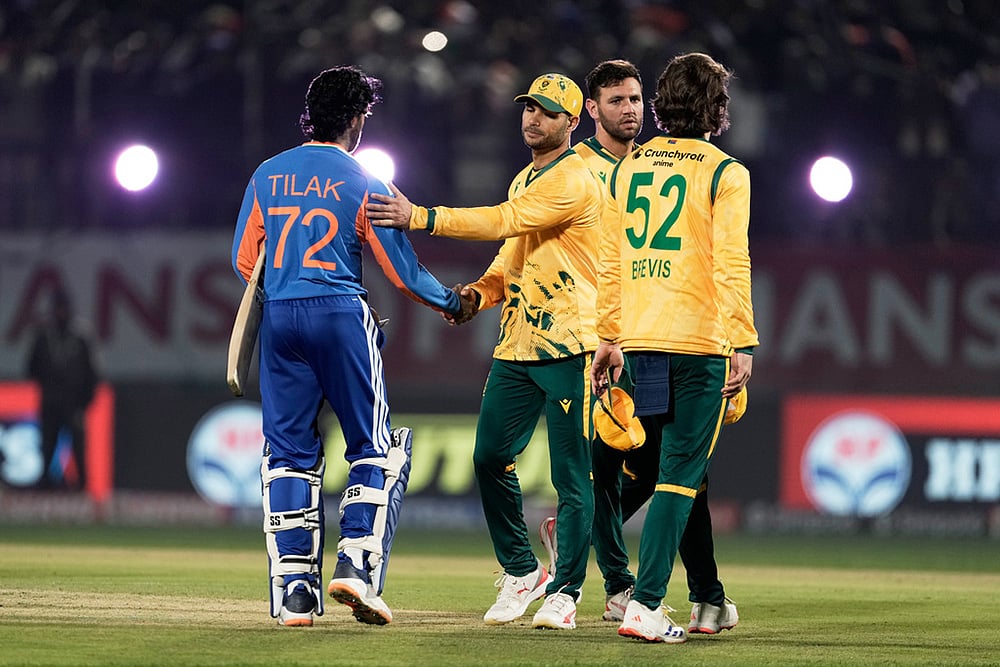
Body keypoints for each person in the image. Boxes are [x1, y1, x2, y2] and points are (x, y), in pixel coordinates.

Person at [231, 65, 475, 628]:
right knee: (375, 448)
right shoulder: (367, 181)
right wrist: (453, 303)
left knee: (288, 454)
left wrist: (287, 285)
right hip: (341, 315)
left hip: (280, 318)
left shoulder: (267, 174)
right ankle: (357, 566)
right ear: (359, 119)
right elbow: (402, 270)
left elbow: (247, 263)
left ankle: (295, 592)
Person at [366, 73, 603, 630]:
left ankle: (565, 592)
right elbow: (510, 255)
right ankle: (522, 570)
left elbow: (503, 219)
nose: (532, 119)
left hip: (571, 345)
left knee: (573, 477)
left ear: (571, 123)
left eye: (546, 112)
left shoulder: (574, 179)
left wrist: (420, 216)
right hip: (519, 345)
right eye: (528, 109)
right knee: (488, 457)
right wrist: (478, 294)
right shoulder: (527, 175)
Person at [590, 52, 758, 644]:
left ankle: (707, 599)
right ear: (717, 107)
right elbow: (731, 263)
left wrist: (608, 338)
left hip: (639, 340)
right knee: (681, 477)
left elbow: (611, 261)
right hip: (699, 343)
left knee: (671, 474)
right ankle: (647, 603)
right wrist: (742, 339)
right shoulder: (724, 172)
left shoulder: (628, 168)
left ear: (660, 105)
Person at [26, 289, 98, 491]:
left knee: (77, 444)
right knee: (48, 444)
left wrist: (84, 401)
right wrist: (48, 386)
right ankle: (45, 483)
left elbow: (91, 372)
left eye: (64, 309)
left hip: (73, 402)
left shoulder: (80, 336)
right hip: (50, 400)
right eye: (57, 309)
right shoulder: (44, 336)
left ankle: (82, 485)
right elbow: (32, 368)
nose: (61, 313)